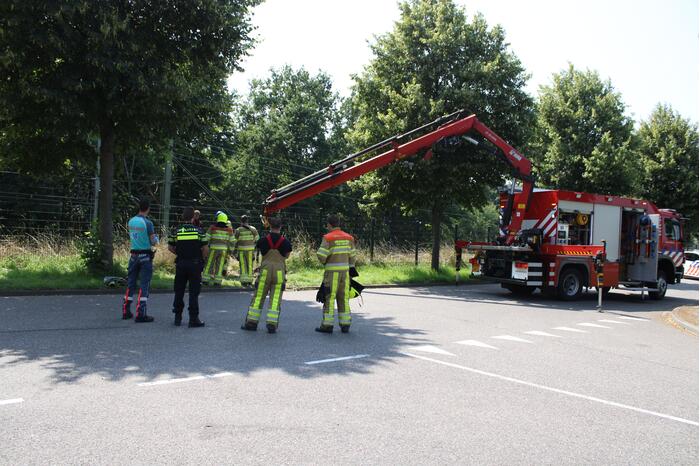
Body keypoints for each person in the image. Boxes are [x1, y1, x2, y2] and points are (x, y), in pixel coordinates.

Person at [241, 217, 292, 333]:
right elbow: (287, 255)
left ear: (270, 226)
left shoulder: (263, 240)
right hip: (279, 271)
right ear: (280, 227)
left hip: (265, 271)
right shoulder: (285, 242)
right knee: (275, 299)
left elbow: (259, 249)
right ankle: (272, 325)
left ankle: (251, 323)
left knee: (259, 297)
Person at [315, 215, 356, 334]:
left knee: (330, 297)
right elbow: (353, 256)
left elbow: (321, 255)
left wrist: (325, 262)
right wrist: (351, 268)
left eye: (327, 224)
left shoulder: (328, 238)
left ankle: (327, 325)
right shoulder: (349, 238)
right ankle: (345, 324)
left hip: (332, 273)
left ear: (329, 224)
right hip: (345, 273)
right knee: (343, 298)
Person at [168, 207, 208, 328]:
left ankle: (177, 317)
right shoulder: (199, 231)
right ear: (193, 217)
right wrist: (202, 258)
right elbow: (205, 248)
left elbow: (170, 247)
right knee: (193, 292)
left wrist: (180, 254)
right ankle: (193, 319)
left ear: (182, 217)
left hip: (181, 263)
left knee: (179, 290)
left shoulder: (176, 231)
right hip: (195, 264)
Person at [122, 198, 158, 323]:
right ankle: (141, 313)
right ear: (148, 208)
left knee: (130, 283)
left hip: (133, 255)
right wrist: (156, 239)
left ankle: (126, 310)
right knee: (144, 284)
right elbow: (153, 241)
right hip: (145, 256)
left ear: (139, 207)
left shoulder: (131, 221)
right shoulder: (148, 223)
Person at [202, 211, 234, 286]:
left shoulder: (212, 227)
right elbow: (232, 241)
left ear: (218, 219)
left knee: (209, 264)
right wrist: (230, 251)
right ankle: (217, 282)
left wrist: (203, 247)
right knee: (219, 266)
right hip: (223, 250)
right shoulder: (229, 229)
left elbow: (206, 238)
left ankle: (205, 280)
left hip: (213, 249)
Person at [233, 215, 259, 286]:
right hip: (250, 250)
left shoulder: (238, 230)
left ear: (241, 221)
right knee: (250, 265)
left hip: (241, 251)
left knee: (243, 265)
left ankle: (244, 281)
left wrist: (234, 251)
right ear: (247, 220)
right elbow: (257, 239)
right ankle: (250, 281)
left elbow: (234, 241)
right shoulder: (253, 229)